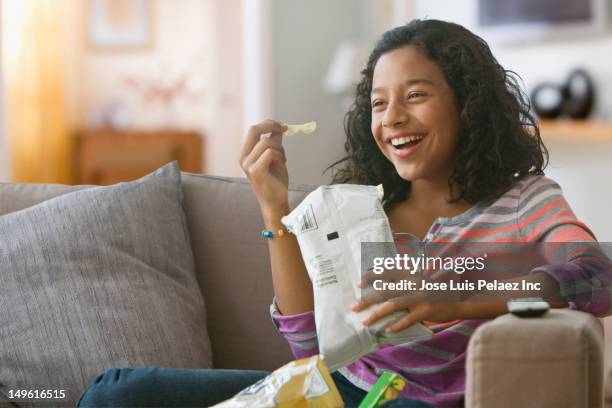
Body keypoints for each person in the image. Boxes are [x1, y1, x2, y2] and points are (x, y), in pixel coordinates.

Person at [78, 19, 611, 408]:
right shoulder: (360, 206)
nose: (393, 118)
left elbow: (595, 277)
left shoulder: (524, 201)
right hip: (335, 392)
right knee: (117, 393)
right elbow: (309, 346)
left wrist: (459, 298)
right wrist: (273, 206)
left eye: (416, 95)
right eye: (379, 103)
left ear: (467, 104)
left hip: (420, 405)